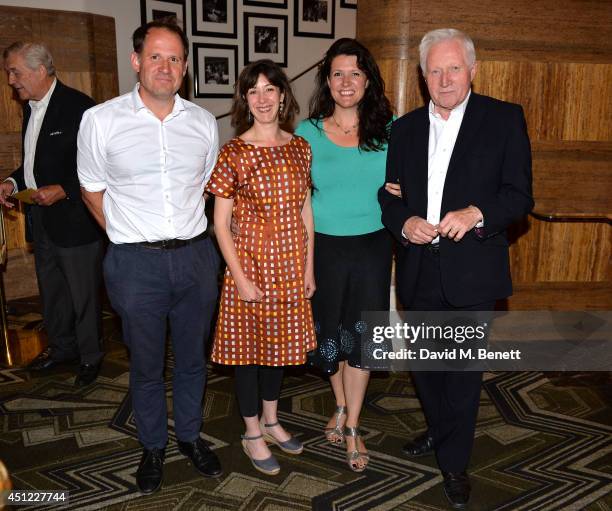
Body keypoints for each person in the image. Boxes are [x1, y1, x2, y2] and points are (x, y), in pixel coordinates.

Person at [379, 28, 533, 508]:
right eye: (434, 70)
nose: (444, 78)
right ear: (422, 77)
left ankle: (454, 463)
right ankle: (440, 431)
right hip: (419, 269)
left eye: (453, 68)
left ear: (472, 70)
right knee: (427, 366)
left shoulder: (504, 119)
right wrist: (404, 224)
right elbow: (389, 195)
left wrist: (476, 214)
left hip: (473, 272)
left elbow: (519, 196)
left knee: (462, 372)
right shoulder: (402, 129)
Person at [77, 20, 222, 494]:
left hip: (196, 259)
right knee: (145, 362)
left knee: (193, 360)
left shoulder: (202, 122)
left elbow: (205, 187)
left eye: (176, 58)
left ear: (185, 66)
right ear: (136, 61)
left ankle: (190, 436)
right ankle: (153, 446)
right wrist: (125, 235)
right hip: (134, 264)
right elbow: (91, 189)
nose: (166, 67)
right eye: (156, 57)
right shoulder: (101, 120)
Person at [205, 59, 316, 476]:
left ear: (283, 95)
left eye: (271, 89)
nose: (263, 98)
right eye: (254, 91)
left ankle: (271, 420)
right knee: (249, 354)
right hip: (249, 270)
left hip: (290, 268)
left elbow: (306, 213)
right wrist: (239, 277)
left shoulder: (300, 146)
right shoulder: (233, 152)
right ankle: (251, 430)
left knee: (280, 352)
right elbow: (220, 223)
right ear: (245, 100)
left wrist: (309, 267)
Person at [295, 38, 397, 472]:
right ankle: (339, 402)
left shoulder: (391, 129)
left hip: (373, 246)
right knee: (329, 338)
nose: (347, 81)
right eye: (338, 73)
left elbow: (414, 179)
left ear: (369, 79)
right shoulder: (307, 133)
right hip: (324, 249)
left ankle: (353, 424)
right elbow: (296, 199)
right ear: (327, 81)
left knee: (363, 340)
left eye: (356, 73)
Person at [0, 42, 103, 387]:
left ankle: (91, 357)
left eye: (15, 71)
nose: (10, 79)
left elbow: (101, 165)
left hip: (76, 220)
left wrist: (65, 189)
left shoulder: (80, 107)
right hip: (41, 219)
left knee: (83, 294)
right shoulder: (30, 108)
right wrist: (13, 183)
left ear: (40, 70)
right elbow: (33, 162)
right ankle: (62, 349)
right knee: (53, 292)